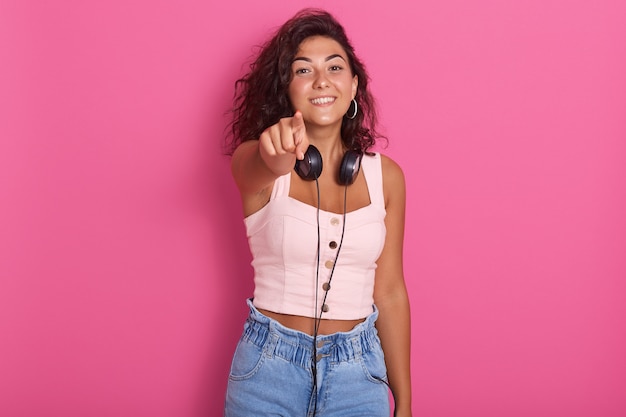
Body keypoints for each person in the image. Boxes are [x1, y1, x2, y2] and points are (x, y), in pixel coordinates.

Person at [224, 8, 411, 417]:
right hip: (267, 370)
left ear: (353, 85)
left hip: (359, 373)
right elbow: (259, 165)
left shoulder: (387, 178)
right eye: (303, 70)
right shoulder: (254, 161)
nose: (322, 80)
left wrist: (406, 402)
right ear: (287, 90)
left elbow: (391, 291)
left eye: (335, 67)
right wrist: (273, 156)